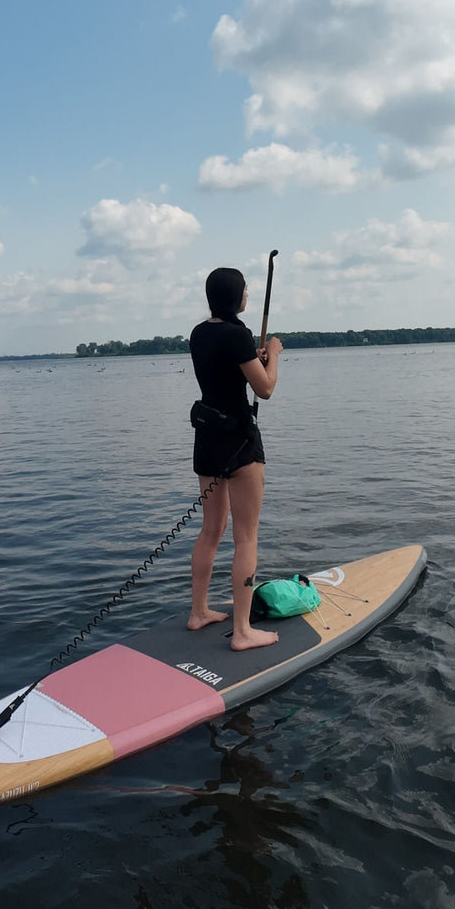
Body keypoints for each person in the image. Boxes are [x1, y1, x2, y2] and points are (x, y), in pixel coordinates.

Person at [187, 267, 283, 651]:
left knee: (211, 530)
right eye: (245, 290)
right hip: (240, 443)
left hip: (207, 439)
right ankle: (243, 632)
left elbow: (226, 370)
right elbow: (266, 387)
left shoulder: (199, 333)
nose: (248, 295)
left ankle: (199, 611)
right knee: (246, 537)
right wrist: (272, 354)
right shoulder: (238, 334)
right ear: (236, 296)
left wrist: (252, 357)